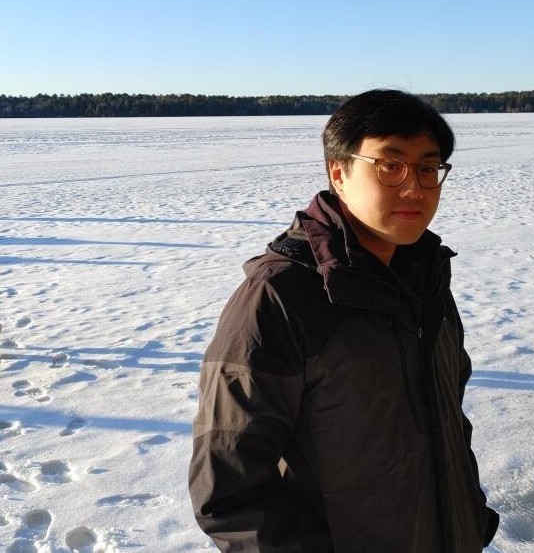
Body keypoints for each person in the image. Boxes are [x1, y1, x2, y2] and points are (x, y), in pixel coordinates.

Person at [189, 89, 499, 552]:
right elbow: (230, 489)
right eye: (390, 166)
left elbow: (447, 419)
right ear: (339, 173)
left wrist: (469, 516)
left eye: (428, 168)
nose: (414, 187)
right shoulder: (281, 297)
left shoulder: (425, 278)